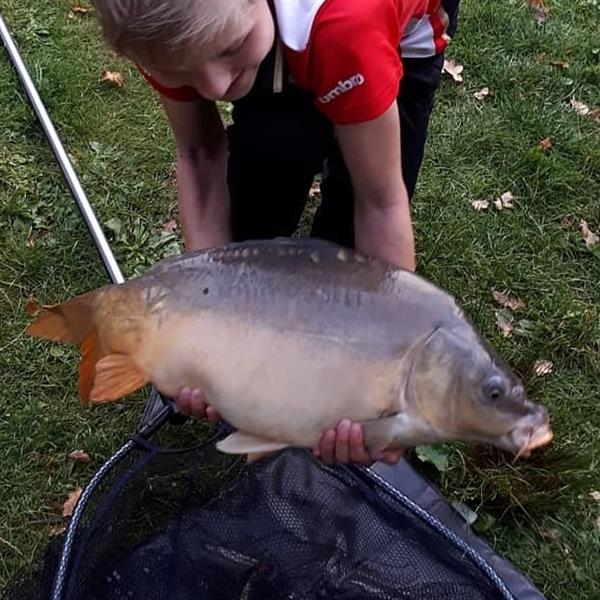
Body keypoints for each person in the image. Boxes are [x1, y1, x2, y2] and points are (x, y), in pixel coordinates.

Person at [92, 0, 459, 465]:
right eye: (182, 72)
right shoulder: (156, 28)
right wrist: (206, 324)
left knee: (354, 272)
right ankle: (253, 383)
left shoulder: (347, 26)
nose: (215, 87)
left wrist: (396, 392)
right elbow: (201, 155)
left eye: (230, 48)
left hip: (387, 40)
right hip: (283, 32)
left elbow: (380, 204)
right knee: (259, 195)